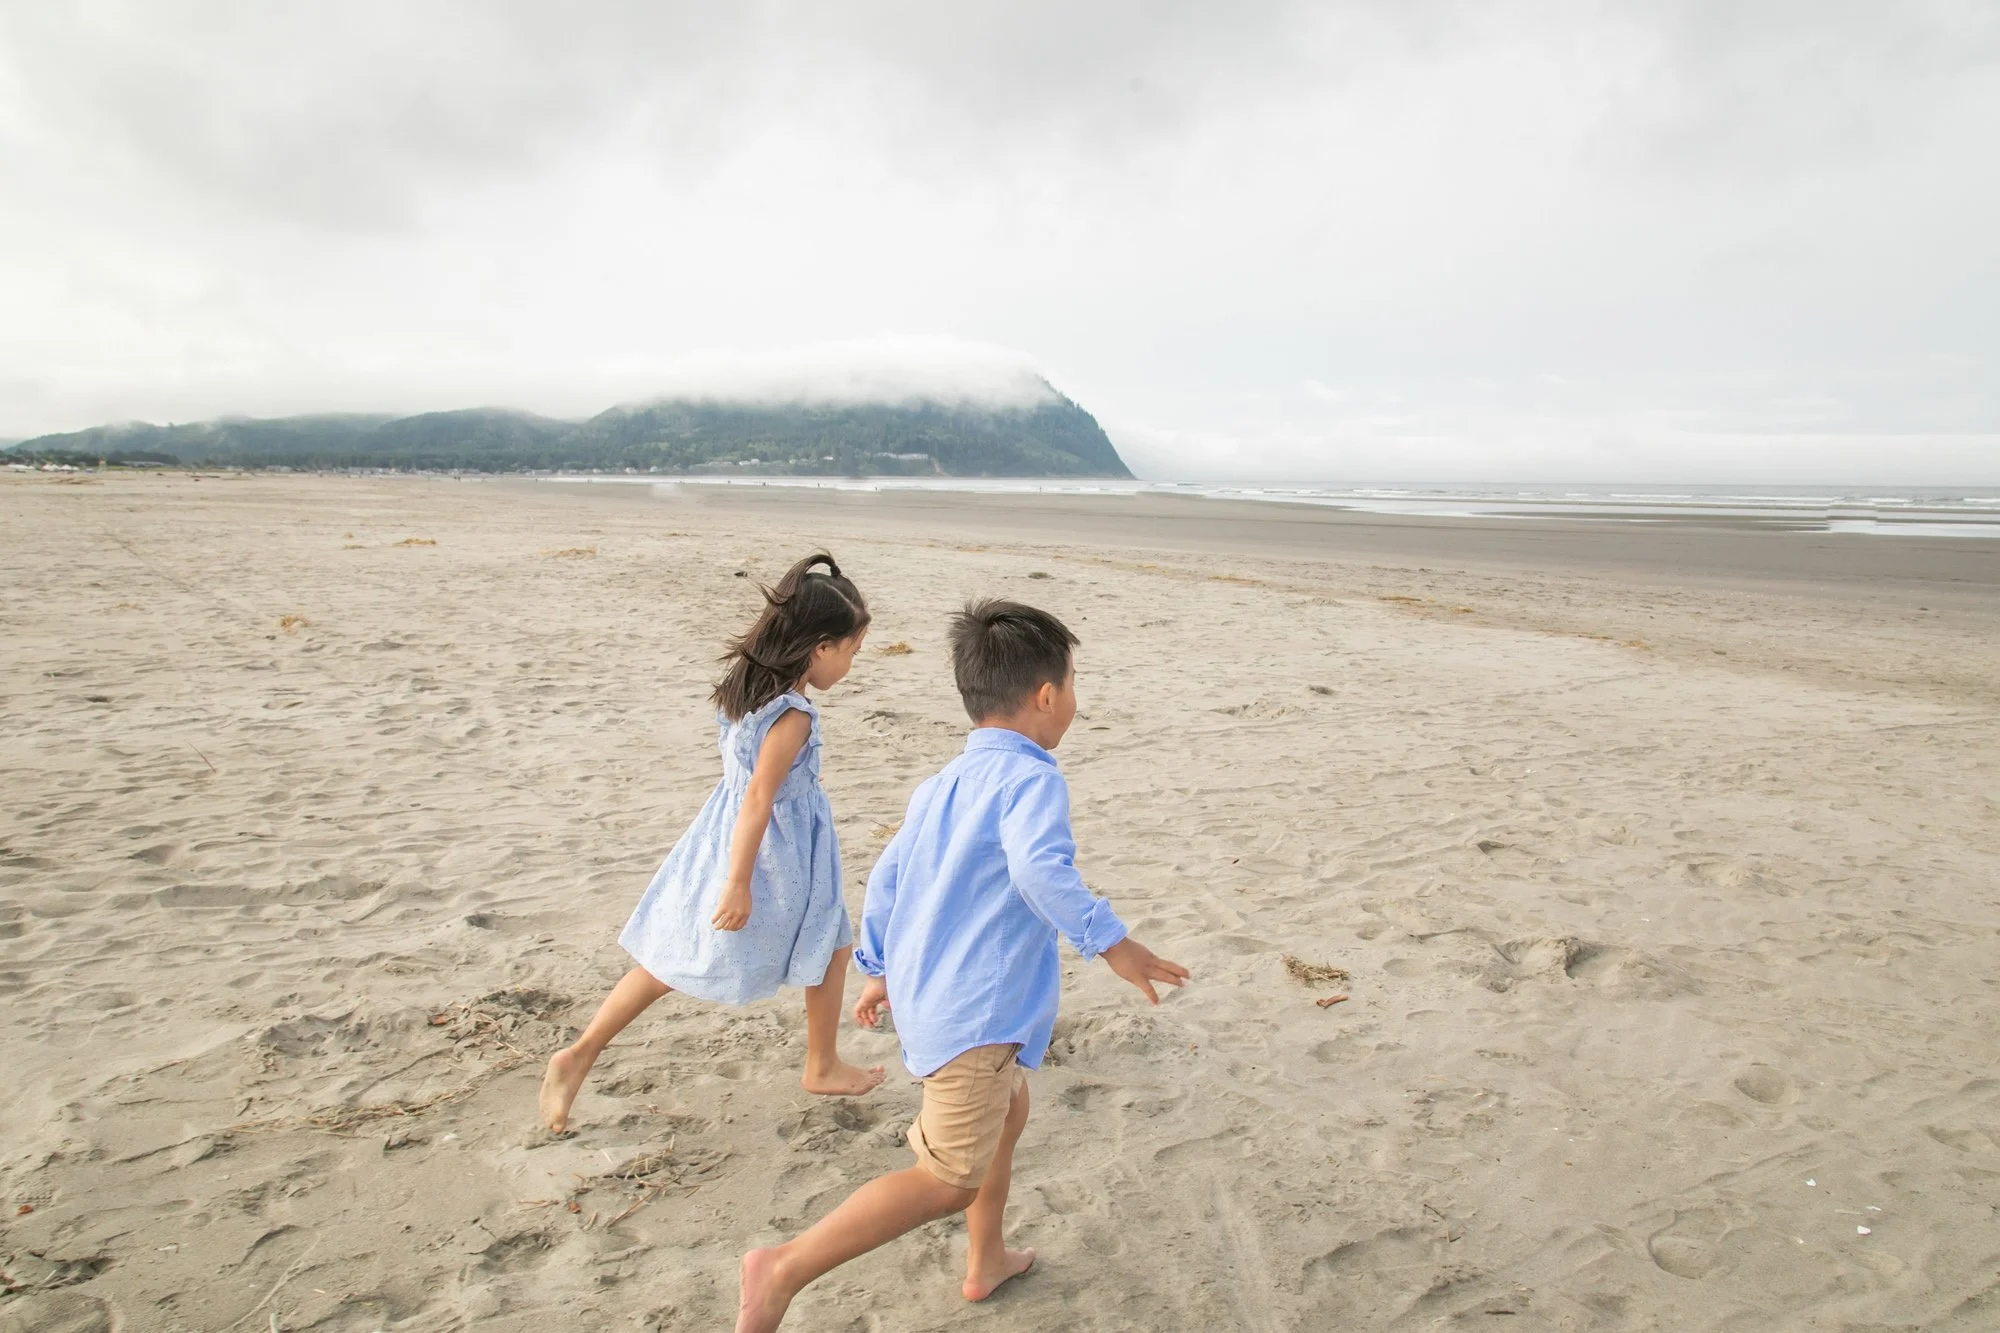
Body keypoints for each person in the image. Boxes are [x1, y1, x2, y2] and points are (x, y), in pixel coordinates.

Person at [735, 598, 1190, 1331]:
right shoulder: (1034, 779)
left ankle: (986, 1259)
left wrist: (880, 966)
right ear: (1047, 695)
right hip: (975, 1010)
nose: (1073, 698)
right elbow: (1042, 872)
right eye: (1072, 683)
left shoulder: (941, 782)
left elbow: (888, 875)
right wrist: (1113, 942)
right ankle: (781, 1267)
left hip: (935, 991)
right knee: (947, 1176)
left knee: (1008, 1110)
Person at [538, 552, 885, 1134]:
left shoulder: (749, 688)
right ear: (820, 647)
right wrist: (739, 882)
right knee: (827, 943)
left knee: (678, 956)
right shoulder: (794, 713)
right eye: (851, 651)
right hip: (772, 849)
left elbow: (748, 783)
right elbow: (759, 797)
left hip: (725, 833)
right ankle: (820, 1063)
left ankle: (582, 1052)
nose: (851, 663)